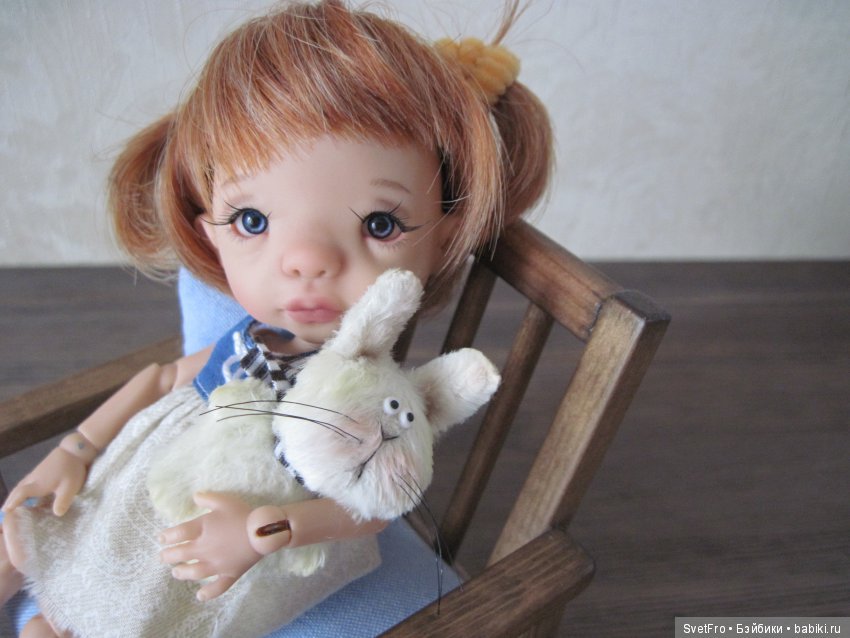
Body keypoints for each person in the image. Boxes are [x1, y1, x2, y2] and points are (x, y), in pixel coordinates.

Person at [0, 1, 553, 636]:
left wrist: (268, 532)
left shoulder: (373, 400)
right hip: (160, 470)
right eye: (252, 220)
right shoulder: (251, 339)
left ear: (445, 237)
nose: (305, 262)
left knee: (144, 604)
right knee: (38, 539)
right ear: (207, 225)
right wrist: (73, 451)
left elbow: (375, 507)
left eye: (380, 224)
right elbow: (163, 379)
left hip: (255, 539)